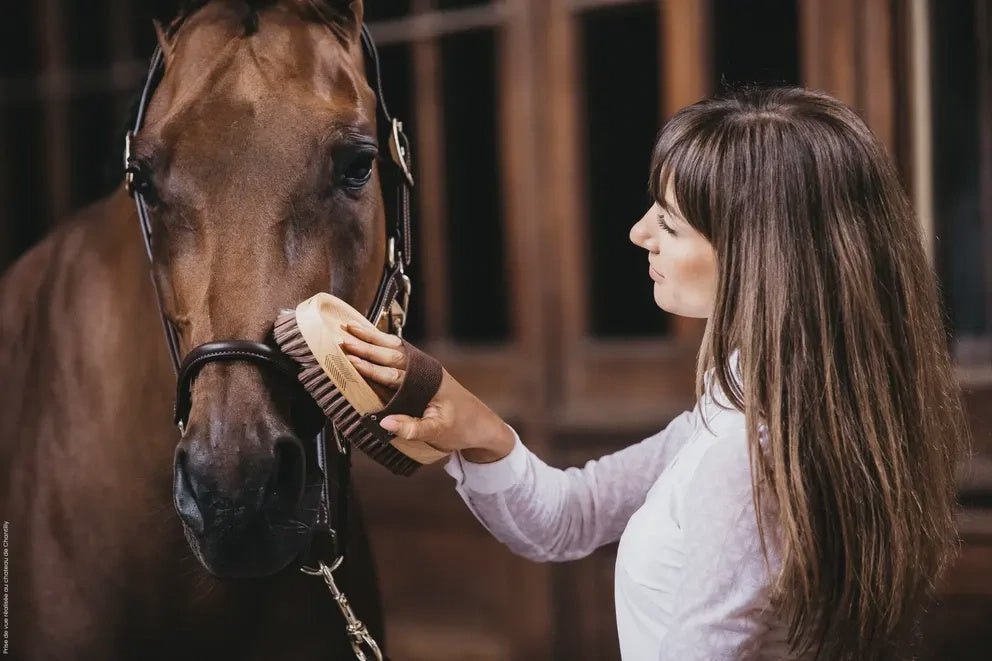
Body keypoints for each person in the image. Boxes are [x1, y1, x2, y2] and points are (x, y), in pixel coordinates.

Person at [340, 87, 968, 660]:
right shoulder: (768, 406)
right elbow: (571, 517)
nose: (640, 232)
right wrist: (481, 431)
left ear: (759, 255)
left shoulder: (745, 453)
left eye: (669, 223)